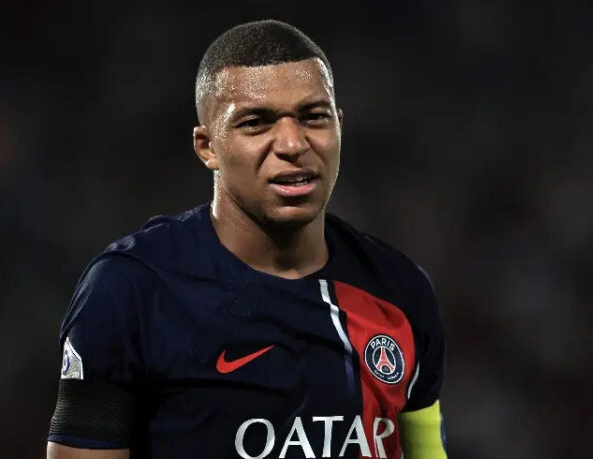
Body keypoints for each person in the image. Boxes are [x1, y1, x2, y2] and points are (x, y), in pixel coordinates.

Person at [47, 19, 447, 459]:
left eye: (314, 117)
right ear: (207, 147)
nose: (292, 144)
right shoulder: (131, 291)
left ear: (339, 126)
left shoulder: (400, 290)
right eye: (257, 122)